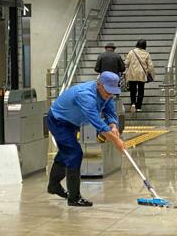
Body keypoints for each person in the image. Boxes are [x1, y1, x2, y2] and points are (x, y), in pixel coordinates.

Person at [46, 72, 125, 207]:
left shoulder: (107, 94)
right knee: (74, 153)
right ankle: (74, 198)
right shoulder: (86, 95)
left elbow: (110, 112)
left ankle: (53, 185)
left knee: (66, 152)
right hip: (58, 120)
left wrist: (114, 126)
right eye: (107, 91)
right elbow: (96, 121)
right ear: (99, 85)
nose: (109, 95)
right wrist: (115, 140)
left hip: (72, 123)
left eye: (113, 92)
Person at [124, 39, 155, 113]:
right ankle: (139, 107)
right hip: (142, 74)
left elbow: (126, 63)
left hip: (132, 74)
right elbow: (150, 65)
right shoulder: (146, 54)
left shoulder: (132, 52)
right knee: (141, 90)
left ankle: (133, 103)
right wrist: (151, 73)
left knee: (133, 90)